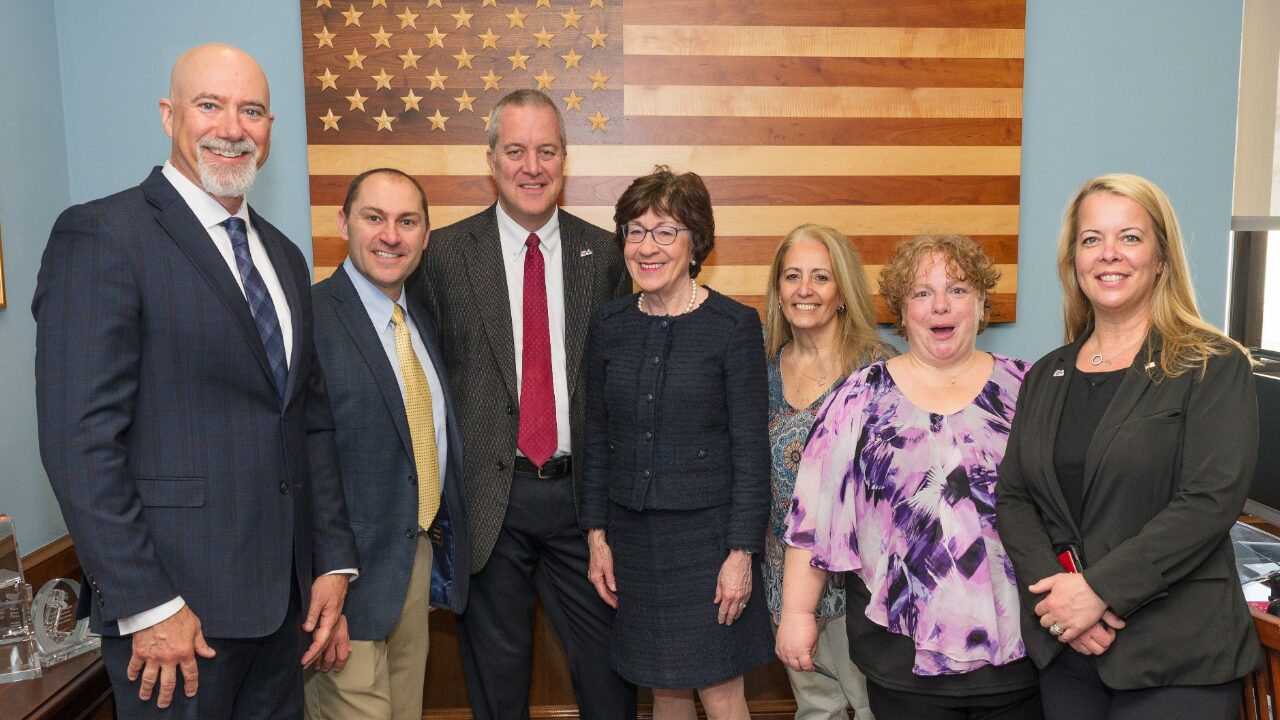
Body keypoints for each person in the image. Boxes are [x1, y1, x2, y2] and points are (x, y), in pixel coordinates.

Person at [32, 43, 357, 718]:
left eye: (253, 111)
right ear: (168, 114)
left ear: (270, 129)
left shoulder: (286, 257)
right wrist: (147, 604)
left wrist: (330, 562)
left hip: (283, 616)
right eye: (209, 105)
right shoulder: (103, 235)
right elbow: (81, 440)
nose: (232, 127)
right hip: (174, 623)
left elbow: (309, 422)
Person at [995, 173, 1262, 719]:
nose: (1109, 254)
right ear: (1074, 260)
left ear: (1161, 257)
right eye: (1091, 239)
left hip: (1178, 656)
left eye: (1130, 237)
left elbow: (1209, 501)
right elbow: (1015, 498)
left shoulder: (1211, 364)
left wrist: (1098, 591)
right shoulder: (1047, 375)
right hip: (1071, 650)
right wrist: (1060, 604)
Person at [407, 89, 634, 719]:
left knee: (608, 685)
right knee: (496, 693)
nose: (531, 166)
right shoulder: (444, 257)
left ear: (565, 159)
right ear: (491, 160)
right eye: (515, 151)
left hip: (582, 505)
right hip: (488, 510)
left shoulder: (607, 254)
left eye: (546, 151)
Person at [776, 235, 1042, 719]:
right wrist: (796, 615)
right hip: (900, 662)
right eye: (922, 293)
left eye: (958, 290)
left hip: (1019, 658)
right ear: (902, 309)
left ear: (982, 302)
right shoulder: (860, 396)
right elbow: (809, 515)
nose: (940, 305)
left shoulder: (1029, 388)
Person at [581, 166, 774, 719]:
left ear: (696, 244)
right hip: (633, 543)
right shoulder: (610, 323)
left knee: (718, 688)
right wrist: (596, 535)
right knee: (661, 688)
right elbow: (598, 438)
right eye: (635, 231)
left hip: (709, 543)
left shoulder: (733, 325)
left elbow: (750, 455)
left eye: (665, 231)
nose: (647, 246)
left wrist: (741, 553)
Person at [305, 168, 469, 719]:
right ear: (343, 223)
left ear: (426, 236)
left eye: (407, 222)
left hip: (412, 563)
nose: (390, 236)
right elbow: (299, 464)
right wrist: (320, 584)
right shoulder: (310, 320)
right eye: (374, 218)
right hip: (340, 583)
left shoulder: (419, 320)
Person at [761, 224, 892, 719]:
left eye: (821, 277)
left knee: (870, 705)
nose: (805, 290)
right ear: (778, 291)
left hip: (859, 580)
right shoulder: (762, 368)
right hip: (785, 576)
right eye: (792, 276)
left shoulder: (877, 370)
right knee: (817, 707)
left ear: (842, 291)